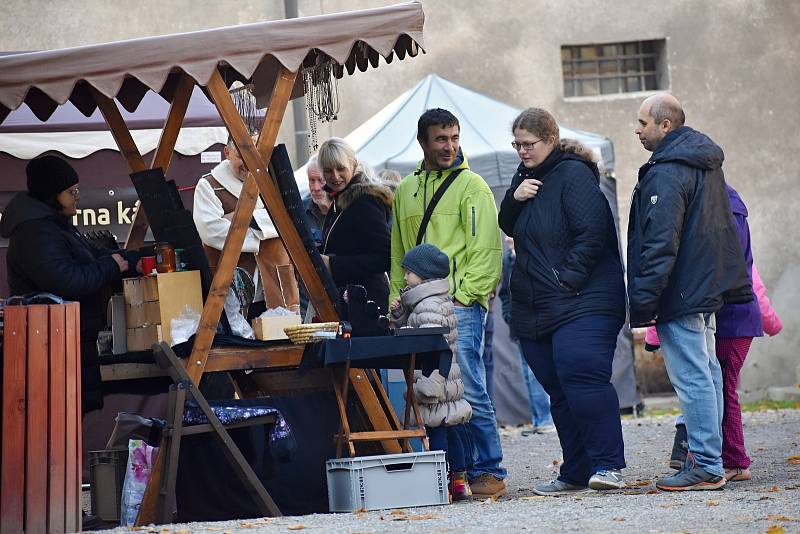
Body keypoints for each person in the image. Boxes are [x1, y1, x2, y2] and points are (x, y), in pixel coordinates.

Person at [498, 109, 627, 495]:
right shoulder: (526, 178)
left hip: (584, 298)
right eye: (517, 145)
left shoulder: (573, 176)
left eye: (528, 144)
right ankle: (575, 470)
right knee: (558, 388)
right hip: (539, 306)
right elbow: (508, 225)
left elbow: (592, 234)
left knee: (581, 372)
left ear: (550, 140)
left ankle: (608, 465)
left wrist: (565, 280)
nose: (522, 151)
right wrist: (514, 198)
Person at [629, 93, 753, 491]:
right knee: (708, 373)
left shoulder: (667, 170)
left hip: (681, 291)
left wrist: (645, 300)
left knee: (694, 377)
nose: (637, 129)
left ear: (666, 125)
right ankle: (708, 459)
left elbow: (660, 241)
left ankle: (706, 464)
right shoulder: (703, 164)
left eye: (643, 122)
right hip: (703, 288)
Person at [390, 108, 506, 497]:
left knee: (468, 386)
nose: (450, 146)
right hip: (416, 308)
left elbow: (487, 249)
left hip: (460, 307)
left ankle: (489, 468)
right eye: (441, 138)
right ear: (422, 142)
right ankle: (460, 472)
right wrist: (397, 298)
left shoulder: (472, 185)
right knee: (435, 391)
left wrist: (464, 296)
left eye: (454, 138)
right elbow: (398, 253)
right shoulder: (405, 189)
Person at [646, 185, 783, 482]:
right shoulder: (729, 225)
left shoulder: (721, 218)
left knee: (721, 390)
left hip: (733, 323)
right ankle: (712, 456)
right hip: (733, 322)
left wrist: (771, 324)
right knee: (715, 386)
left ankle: (734, 460)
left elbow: (754, 292)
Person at [1, 155, 137, 415]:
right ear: (52, 194)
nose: (78, 196)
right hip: (51, 346)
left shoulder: (56, 225)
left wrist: (131, 259)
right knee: (60, 420)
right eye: (71, 191)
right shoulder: (36, 232)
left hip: (68, 340)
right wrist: (111, 266)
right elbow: (66, 281)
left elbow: (93, 256)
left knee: (72, 420)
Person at [389, 243, 473, 501]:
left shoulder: (428, 305)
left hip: (434, 377)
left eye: (409, 272)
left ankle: (441, 481)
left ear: (423, 274)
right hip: (445, 377)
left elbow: (428, 341)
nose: (405, 277)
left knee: (437, 428)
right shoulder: (430, 301)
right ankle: (460, 482)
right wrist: (400, 313)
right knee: (450, 426)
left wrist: (431, 380)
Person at [193, 135, 299, 316]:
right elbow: (212, 231)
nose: (248, 162)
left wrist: (240, 219)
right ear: (227, 153)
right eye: (241, 155)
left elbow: (290, 220)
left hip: (276, 284)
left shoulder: (274, 180)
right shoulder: (208, 186)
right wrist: (264, 235)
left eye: (256, 154)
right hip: (232, 286)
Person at [318, 138, 392, 311]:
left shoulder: (365, 201)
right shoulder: (341, 200)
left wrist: (333, 265)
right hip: (351, 300)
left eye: (341, 168)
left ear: (353, 164)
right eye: (328, 171)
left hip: (368, 304)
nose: (335, 176)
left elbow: (385, 256)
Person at [498, 236, 555, 435]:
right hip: (519, 325)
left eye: (512, 234)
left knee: (537, 372)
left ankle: (547, 419)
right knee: (527, 372)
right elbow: (504, 293)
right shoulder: (507, 260)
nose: (507, 238)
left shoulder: (534, 254)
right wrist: (508, 316)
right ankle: (540, 419)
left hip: (538, 323)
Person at [299, 155, 331, 317]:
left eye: (321, 180)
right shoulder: (299, 211)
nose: (316, 187)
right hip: (306, 298)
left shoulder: (345, 210)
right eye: (312, 181)